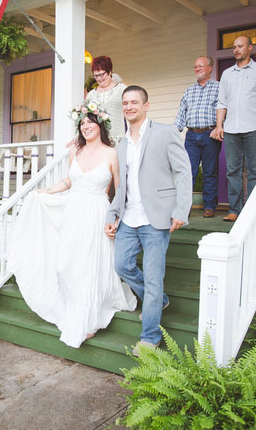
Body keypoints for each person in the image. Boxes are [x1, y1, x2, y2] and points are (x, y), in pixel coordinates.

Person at [5, 100, 137, 349]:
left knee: (89, 265)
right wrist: (47, 191)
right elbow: (68, 181)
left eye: (90, 122)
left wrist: (116, 217)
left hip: (97, 212)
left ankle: (86, 320)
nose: (86, 126)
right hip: (73, 210)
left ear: (100, 125)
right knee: (65, 263)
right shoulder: (75, 152)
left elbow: (119, 187)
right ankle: (70, 305)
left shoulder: (111, 153)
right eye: (82, 123)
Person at [104, 86, 192, 355]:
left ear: (146, 105)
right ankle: (160, 301)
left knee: (154, 278)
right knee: (122, 266)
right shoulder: (121, 144)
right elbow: (122, 185)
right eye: (126, 103)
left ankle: (150, 337)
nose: (129, 107)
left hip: (157, 218)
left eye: (134, 102)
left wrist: (181, 209)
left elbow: (184, 171)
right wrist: (113, 214)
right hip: (129, 218)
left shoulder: (165, 133)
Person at [210, 36, 256, 222]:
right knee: (232, 171)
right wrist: (219, 125)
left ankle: (253, 211)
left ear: (250, 48)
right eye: (234, 47)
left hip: (254, 126)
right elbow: (222, 102)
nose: (236, 50)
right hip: (231, 129)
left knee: (255, 170)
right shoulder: (227, 74)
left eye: (240, 46)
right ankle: (235, 210)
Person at [175, 56, 221, 218]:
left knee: (209, 172)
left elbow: (223, 110)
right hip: (192, 135)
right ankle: (185, 207)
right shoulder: (189, 90)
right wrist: (175, 131)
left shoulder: (219, 88)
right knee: (188, 171)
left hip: (210, 134)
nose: (197, 69)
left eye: (201, 66)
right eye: (195, 67)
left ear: (210, 68)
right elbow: (182, 112)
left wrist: (220, 128)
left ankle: (209, 206)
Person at [86, 56, 127, 142]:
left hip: (118, 139)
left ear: (110, 71)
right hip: (98, 141)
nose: (99, 78)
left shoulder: (122, 89)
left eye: (101, 74)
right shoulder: (91, 95)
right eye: (96, 75)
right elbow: (87, 119)